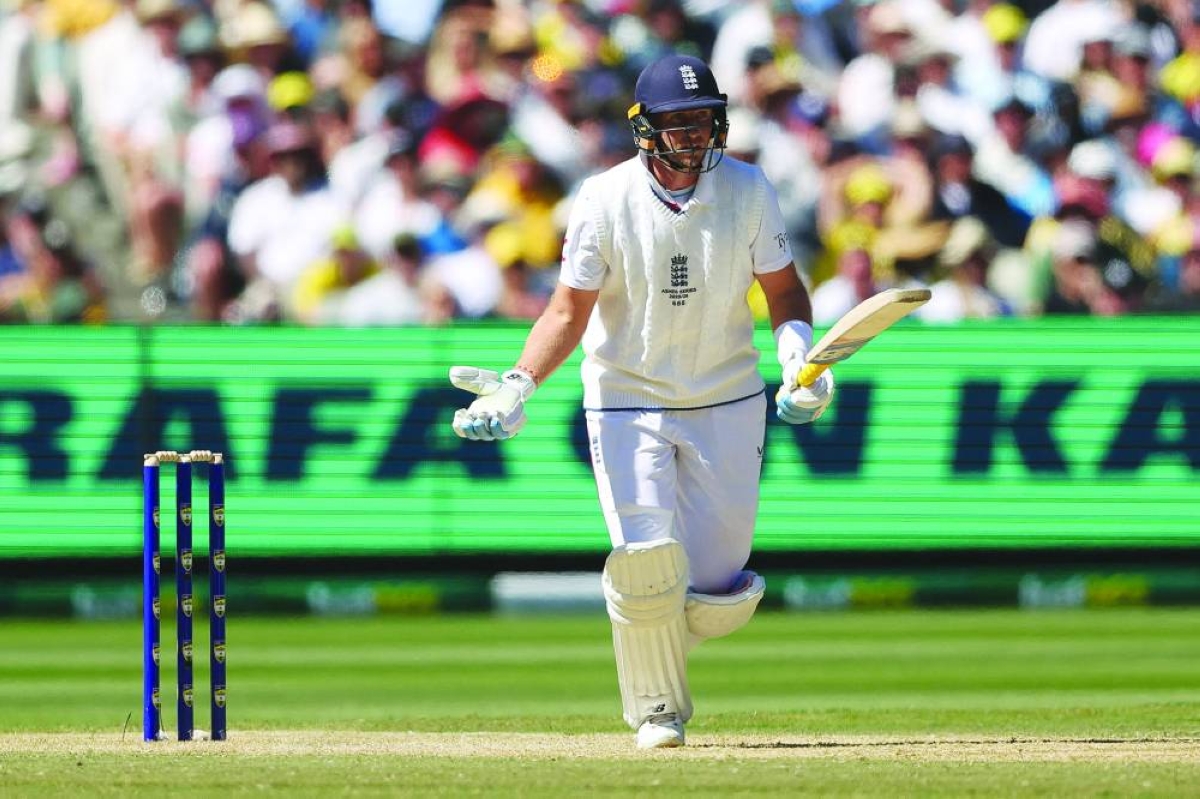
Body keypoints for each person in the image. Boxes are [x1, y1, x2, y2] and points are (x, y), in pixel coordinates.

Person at [448, 53, 834, 749]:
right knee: (647, 557)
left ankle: (645, 612)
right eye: (677, 124)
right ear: (645, 129)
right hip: (626, 396)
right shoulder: (602, 198)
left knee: (720, 593)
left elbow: (783, 290)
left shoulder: (748, 188)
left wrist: (796, 358)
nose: (692, 137)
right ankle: (658, 711)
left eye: (702, 122)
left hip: (727, 393)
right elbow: (568, 311)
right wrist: (519, 384)